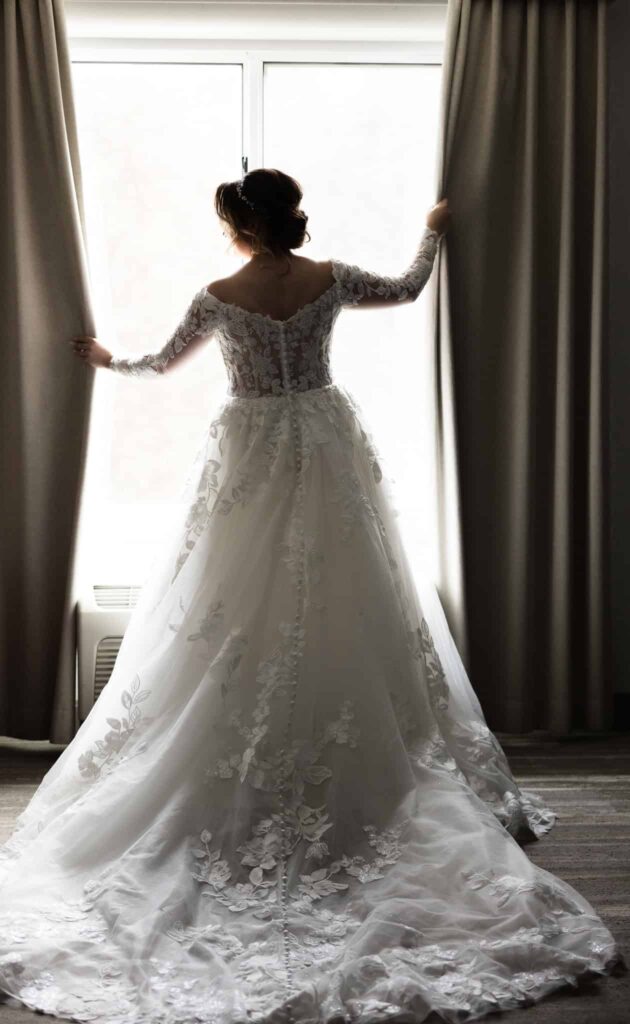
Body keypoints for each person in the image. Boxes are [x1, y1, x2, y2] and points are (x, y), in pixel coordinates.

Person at [0, 168, 618, 1024]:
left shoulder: (218, 295)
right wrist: (433, 227)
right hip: (325, 436)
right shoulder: (330, 279)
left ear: (239, 228)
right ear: (286, 217)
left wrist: (109, 361)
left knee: (232, 611)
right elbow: (406, 289)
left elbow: (158, 363)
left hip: (252, 446)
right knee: (346, 597)